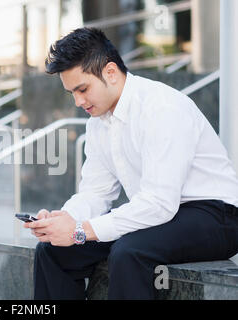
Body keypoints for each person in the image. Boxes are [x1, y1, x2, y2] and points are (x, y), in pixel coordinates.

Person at [24, 27, 238, 300]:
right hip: (158, 216)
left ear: (111, 73)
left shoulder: (161, 107)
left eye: (83, 89)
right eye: (72, 93)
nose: (78, 101)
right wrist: (64, 221)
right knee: (53, 250)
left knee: (129, 251)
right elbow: (96, 193)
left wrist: (80, 231)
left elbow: (160, 203)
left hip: (214, 217)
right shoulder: (98, 124)